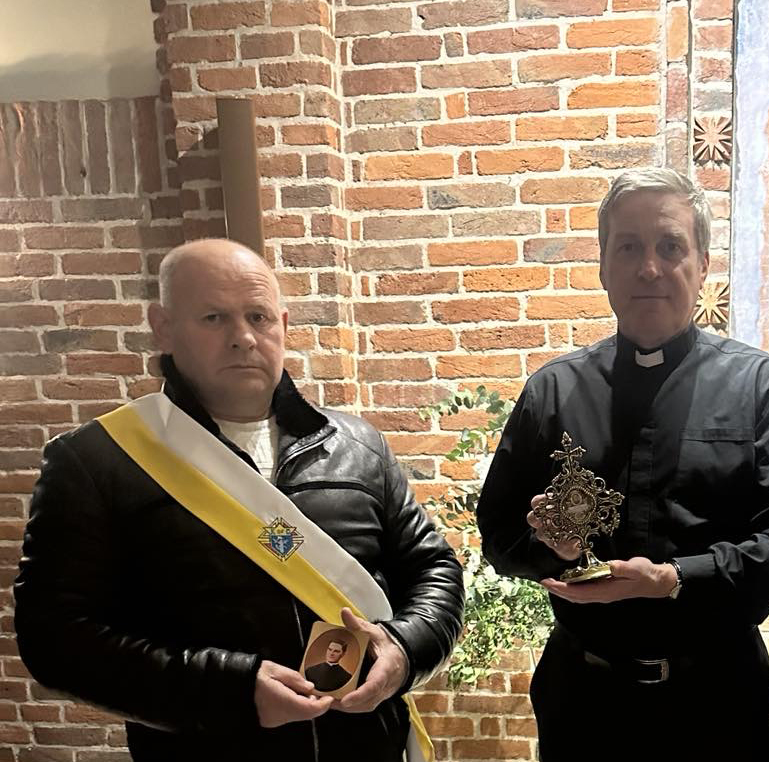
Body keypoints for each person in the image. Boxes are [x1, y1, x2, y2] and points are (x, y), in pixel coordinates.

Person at [15, 238, 465, 762]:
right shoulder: (95, 461)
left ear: (284, 324)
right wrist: (230, 688)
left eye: (259, 316)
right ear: (163, 326)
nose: (243, 338)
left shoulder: (359, 446)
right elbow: (56, 638)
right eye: (213, 318)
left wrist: (405, 647)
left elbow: (433, 568)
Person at [476, 168, 769, 761]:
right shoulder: (552, 392)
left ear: (703, 264)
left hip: (718, 703)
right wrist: (551, 550)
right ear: (603, 267)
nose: (649, 269)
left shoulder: (764, 387)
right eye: (629, 248)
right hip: (582, 701)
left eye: (671, 247)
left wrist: (676, 578)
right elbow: (498, 535)